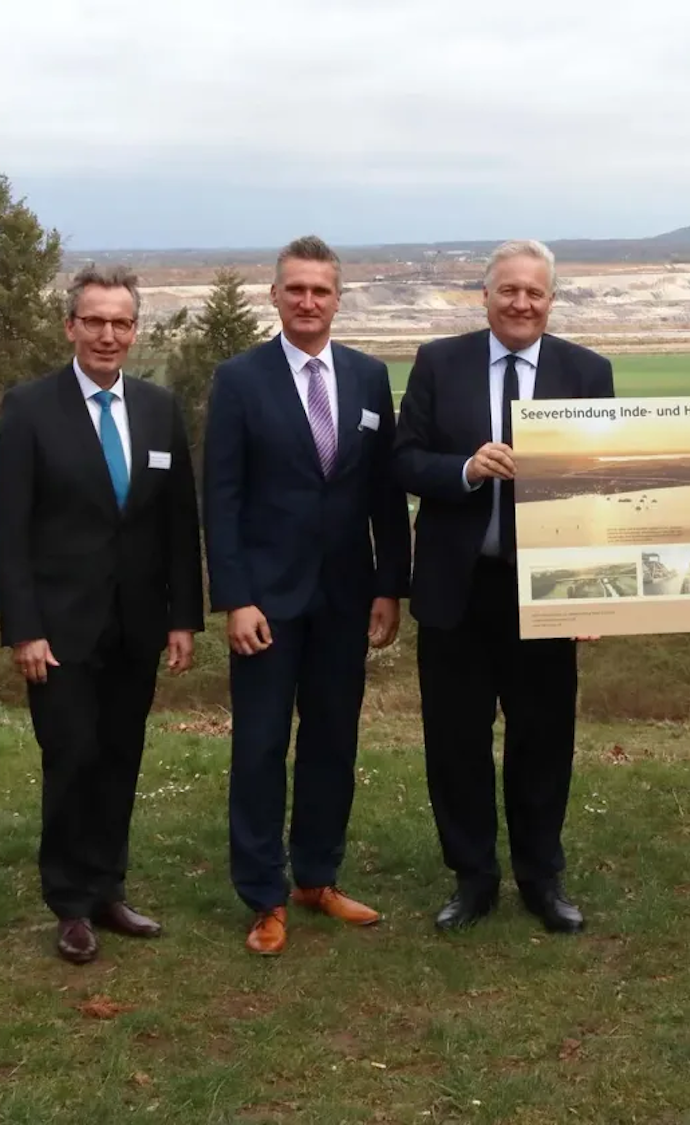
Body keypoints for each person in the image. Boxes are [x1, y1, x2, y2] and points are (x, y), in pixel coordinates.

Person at [393, 239, 614, 934]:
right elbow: (403, 460)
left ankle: (541, 876)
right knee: (455, 739)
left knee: (543, 737)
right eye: (508, 291)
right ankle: (472, 876)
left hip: (548, 588)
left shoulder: (587, 371)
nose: (521, 303)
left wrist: (595, 588)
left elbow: (603, 488)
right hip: (457, 587)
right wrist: (464, 468)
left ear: (552, 300)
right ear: (484, 296)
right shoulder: (438, 362)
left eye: (535, 293)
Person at [0, 264, 204, 964]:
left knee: (120, 755)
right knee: (72, 756)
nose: (108, 334)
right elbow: (9, 529)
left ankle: (109, 888)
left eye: (121, 322)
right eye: (95, 321)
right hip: (58, 628)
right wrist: (23, 626)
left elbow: (178, 522)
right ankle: (70, 903)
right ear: (70, 327)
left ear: (135, 330)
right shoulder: (29, 408)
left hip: (138, 622)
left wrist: (182, 617)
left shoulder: (157, 408)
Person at [204, 236, 409, 955]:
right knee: (260, 747)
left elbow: (384, 492)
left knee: (332, 740)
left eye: (321, 290)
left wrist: (391, 586)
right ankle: (263, 895)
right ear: (275, 295)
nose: (308, 301)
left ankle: (316, 877)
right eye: (295, 289)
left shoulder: (368, 377)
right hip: (266, 601)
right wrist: (235, 597)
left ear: (338, 297)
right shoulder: (239, 380)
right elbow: (221, 497)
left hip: (347, 597)